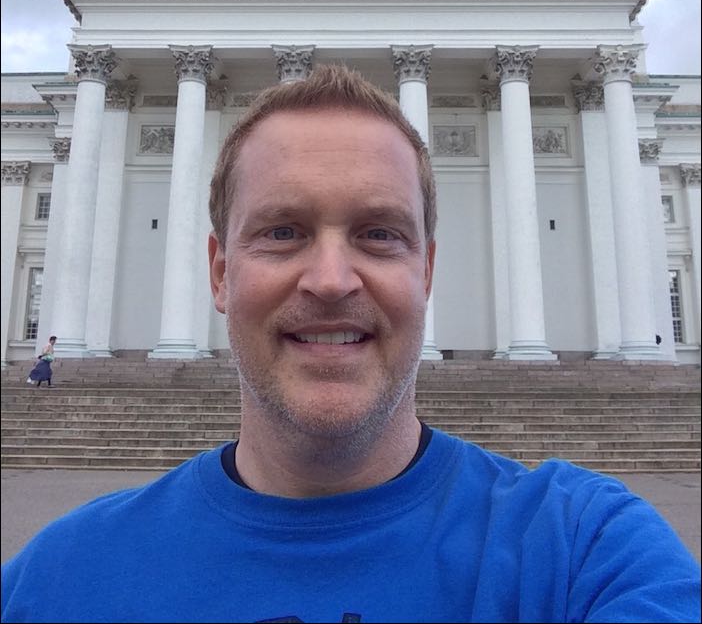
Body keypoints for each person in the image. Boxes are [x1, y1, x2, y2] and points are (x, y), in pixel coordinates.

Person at [2, 65, 700, 623]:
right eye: (282, 230)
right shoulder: (57, 579)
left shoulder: (585, 550)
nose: (331, 280)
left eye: (378, 232)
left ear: (426, 269)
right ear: (219, 270)